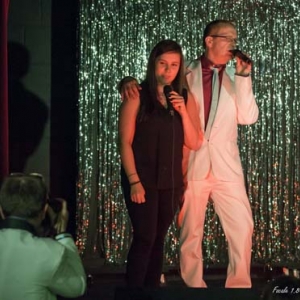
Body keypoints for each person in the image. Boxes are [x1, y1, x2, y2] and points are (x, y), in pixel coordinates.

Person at [120, 20, 259, 288]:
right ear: (209, 41)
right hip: (191, 164)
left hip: (226, 167)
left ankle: (239, 287)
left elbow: (248, 117)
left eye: (235, 38)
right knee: (190, 231)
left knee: (242, 227)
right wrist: (127, 81)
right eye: (227, 37)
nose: (234, 43)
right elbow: (154, 82)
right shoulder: (185, 74)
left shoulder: (234, 80)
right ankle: (193, 286)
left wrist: (243, 77)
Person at [118, 39, 202, 287]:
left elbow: (194, 142)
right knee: (144, 237)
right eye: (163, 64)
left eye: (174, 65)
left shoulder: (184, 98)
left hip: (171, 182)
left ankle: (151, 291)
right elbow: (124, 142)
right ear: (153, 64)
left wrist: (183, 112)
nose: (168, 70)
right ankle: (133, 292)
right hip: (142, 179)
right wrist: (134, 181)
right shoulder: (137, 95)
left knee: (158, 238)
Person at [0, 173, 87, 300]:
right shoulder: (50, 252)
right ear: (44, 211)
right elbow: (78, 287)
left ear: (1, 210)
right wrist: (63, 235)